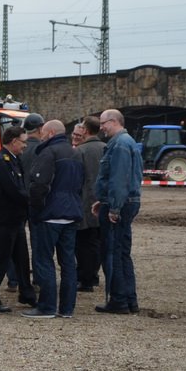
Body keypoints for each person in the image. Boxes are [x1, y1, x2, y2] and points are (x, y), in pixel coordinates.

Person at [22, 120, 84, 319]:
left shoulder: (49, 153)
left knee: (44, 260)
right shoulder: (75, 153)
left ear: (49, 133)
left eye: (43, 132)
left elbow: (39, 184)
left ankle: (47, 306)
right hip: (71, 212)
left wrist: (36, 210)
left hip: (50, 215)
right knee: (68, 262)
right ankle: (67, 308)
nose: (41, 135)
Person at [93, 109, 145, 314]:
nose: (101, 128)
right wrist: (104, 201)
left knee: (113, 252)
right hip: (123, 202)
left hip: (120, 205)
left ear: (113, 121)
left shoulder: (120, 144)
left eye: (103, 123)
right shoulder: (127, 142)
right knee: (122, 252)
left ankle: (119, 300)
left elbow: (118, 178)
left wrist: (113, 207)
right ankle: (129, 300)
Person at [0, 126, 34, 313]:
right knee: (0, 259)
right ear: (13, 141)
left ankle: (27, 293)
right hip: (5, 219)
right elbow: (13, 189)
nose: (25, 146)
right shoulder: (3, 161)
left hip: (15, 218)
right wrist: (31, 200)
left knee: (21, 258)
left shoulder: (13, 159)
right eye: (23, 142)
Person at [74, 116, 106, 292]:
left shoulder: (80, 151)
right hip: (102, 200)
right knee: (98, 241)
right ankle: (93, 275)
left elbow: (76, 178)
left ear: (85, 130)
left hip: (84, 202)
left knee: (84, 243)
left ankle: (85, 279)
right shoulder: (106, 148)